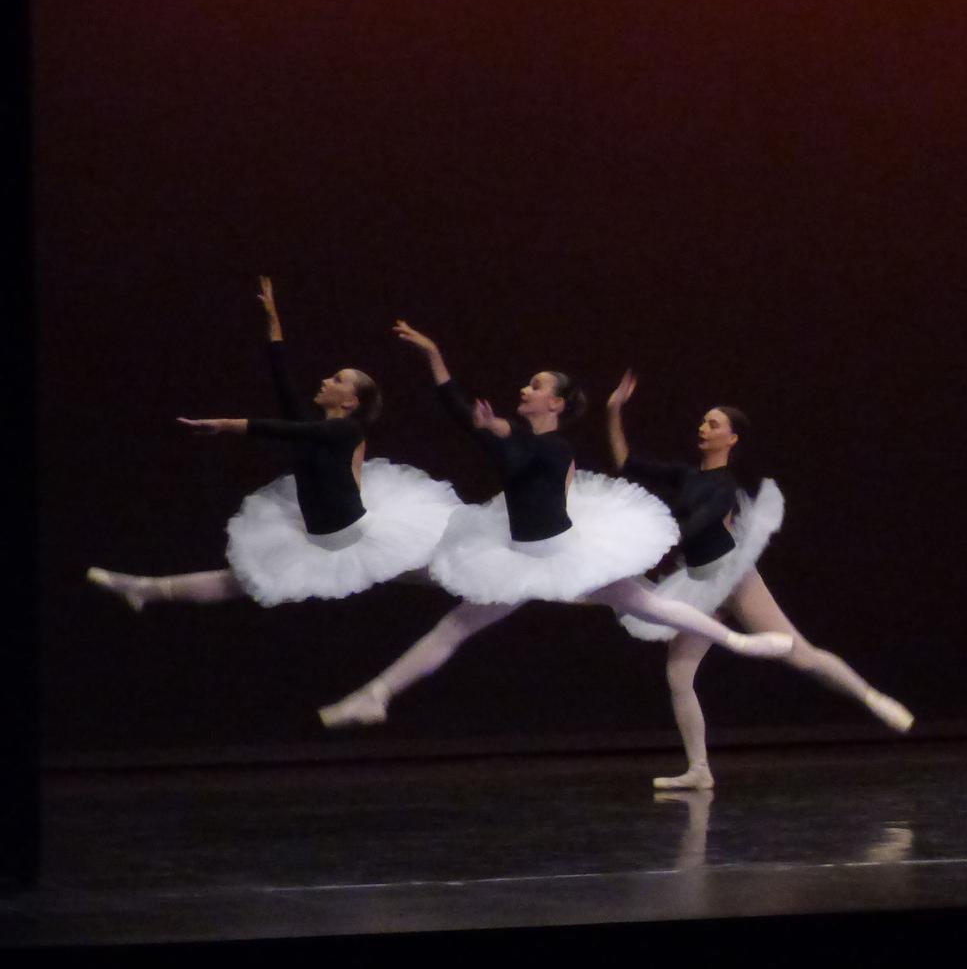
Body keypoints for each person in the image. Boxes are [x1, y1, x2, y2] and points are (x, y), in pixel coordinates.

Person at [315, 322, 792, 729]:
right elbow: (465, 416)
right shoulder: (521, 440)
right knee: (455, 626)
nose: (526, 389)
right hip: (519, 556)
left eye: (537, 385)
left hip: (564, 553)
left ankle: (741, 641)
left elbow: (517, 457)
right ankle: (376, 694)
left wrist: (495, 431)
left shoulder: (555, 448)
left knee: (648, 605)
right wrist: (435, 357)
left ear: (557, 405)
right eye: (528, 383)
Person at [606, 371, 913, 791]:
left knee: (800, 656)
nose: (703, 427)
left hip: (731, 578)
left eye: (713, 424)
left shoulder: (724, 487)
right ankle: (700, 770)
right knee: (679, 674)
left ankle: (870, 697)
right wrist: (614, 412)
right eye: (703, 422)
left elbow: (700, 526)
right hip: (697, 583)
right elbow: (626, 463)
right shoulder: (687, 475)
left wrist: (654, 536)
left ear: (731, 439)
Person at [87, 276, 459, 611]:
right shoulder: (315, 425)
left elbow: (281, 429)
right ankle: (144, 589)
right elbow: (283, 383)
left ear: (350, 402)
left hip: (355, 537)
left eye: (338, 379)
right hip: (316, 540)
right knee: (241, 580)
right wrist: (273, 321)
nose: (327, 380)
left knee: (427, 572)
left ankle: (495, 579)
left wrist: (224, 424)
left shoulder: (347, 431)